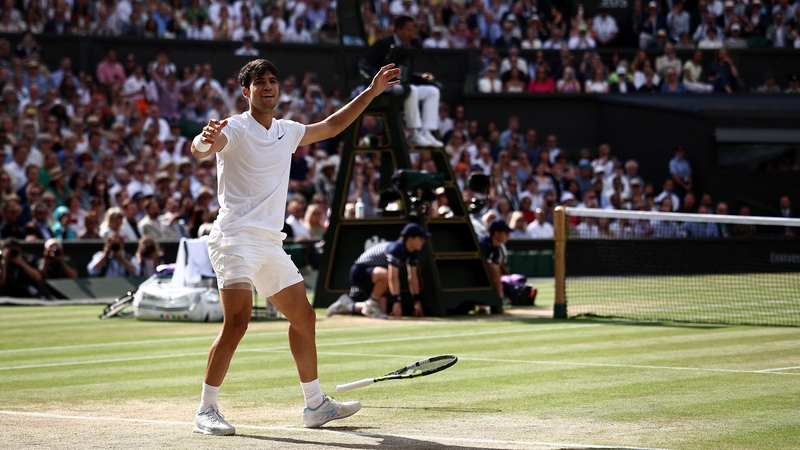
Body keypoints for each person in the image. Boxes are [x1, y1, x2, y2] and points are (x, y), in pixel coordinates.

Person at [188, 58, 401, 435]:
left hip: (270, 244)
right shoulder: (234, 128)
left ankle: (315, 405)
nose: (268, 87)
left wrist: (372, 91)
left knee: (304, 318)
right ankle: (206, 410)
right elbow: (203, 147)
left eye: (273, 81)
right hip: (234, 238)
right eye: (259, 83)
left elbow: (334, 126)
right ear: (246, 92)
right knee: (237, 322)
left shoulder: (287, 131)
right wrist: (205, 138)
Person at [359, 15, 443, 148]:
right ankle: (413, 133)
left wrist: (421, 76)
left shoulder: (408, 47)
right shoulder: (383, 44)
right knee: (411, 90)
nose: (411, 34)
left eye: (412, 30)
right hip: (384, 87)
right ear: (398, 29)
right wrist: (380, 77)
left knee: (433, 91)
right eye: (408, 30)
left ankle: (427, 132)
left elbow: (407, 73)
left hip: (401, 86)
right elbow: (364, 64)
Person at [326, 222, 429, 320]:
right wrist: (397, 302)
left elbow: (412, 277)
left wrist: (417, 301)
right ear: (410, 239)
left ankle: (347, 305)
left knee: (381, 311)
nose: (423, 241)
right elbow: (392, 277)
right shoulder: (396, 249)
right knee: (387, 275)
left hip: (375, 276)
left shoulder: (412, 252)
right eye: (420, 239)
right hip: (359, 272)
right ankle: (370, 303)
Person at [480, 219, 511, 308]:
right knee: (494, 268)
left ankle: (497, 300)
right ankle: (497, 300)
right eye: (505, 233)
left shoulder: (496, 246)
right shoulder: (483, 243)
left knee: (496, 268)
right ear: (496, 233)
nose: (508, 235)